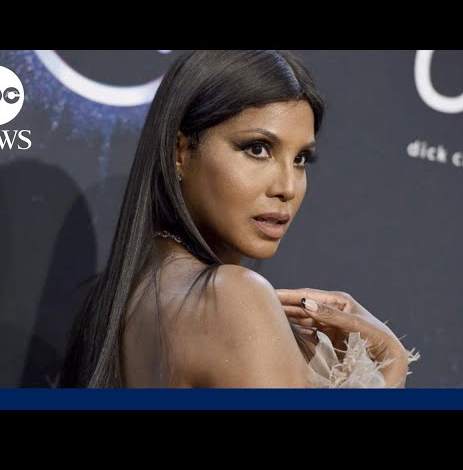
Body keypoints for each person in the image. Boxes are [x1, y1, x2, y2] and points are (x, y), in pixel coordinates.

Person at [58, 50, 418, 388]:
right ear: (179, 151)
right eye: (257, 149)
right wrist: (390, 365)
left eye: (300, 159)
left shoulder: (116, 303)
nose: (287, 187)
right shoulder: (231, 297)